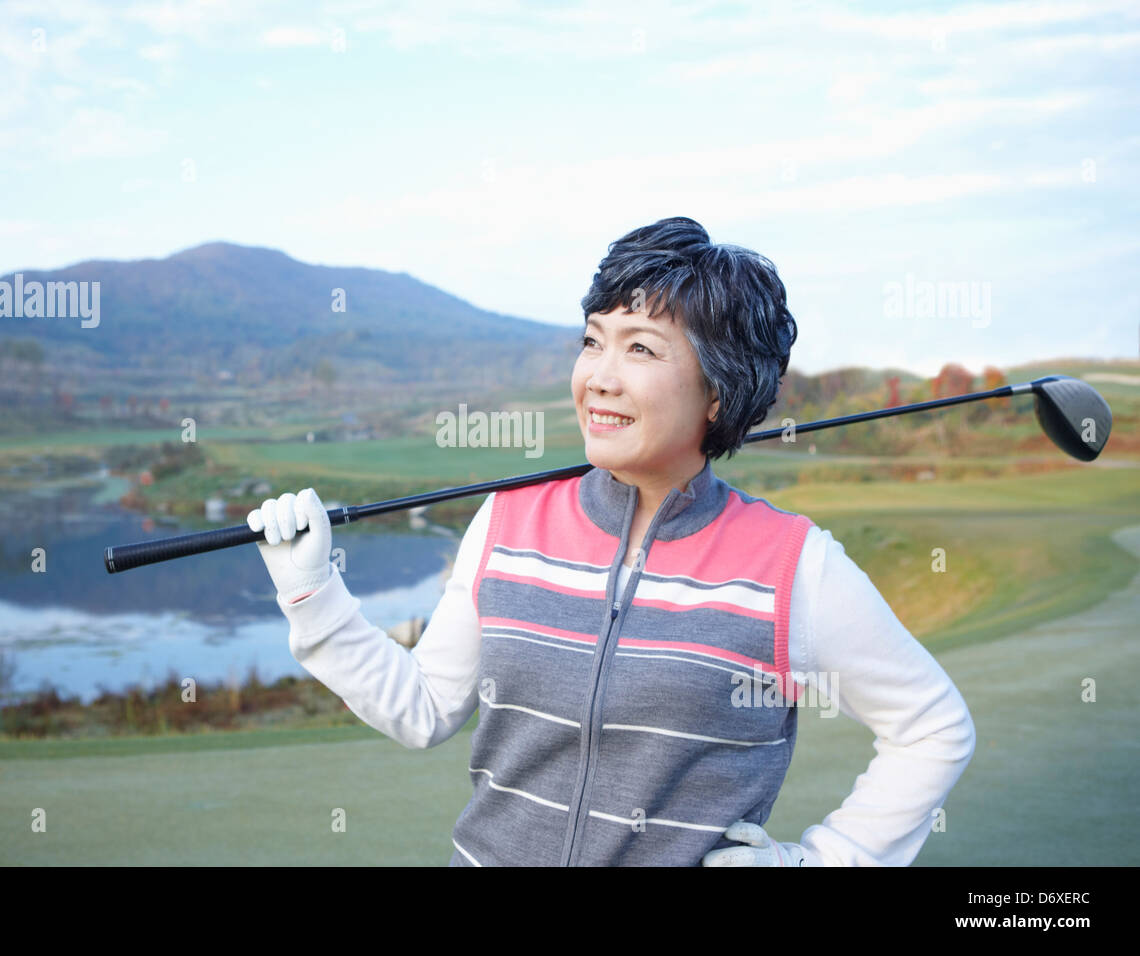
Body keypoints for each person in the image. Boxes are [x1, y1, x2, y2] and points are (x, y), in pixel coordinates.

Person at [248, 216, 976, 866]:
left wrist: (819, 862)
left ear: (717, 392)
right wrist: (313, 596)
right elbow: (423, 708)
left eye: (641, 350)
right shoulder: (507, 522)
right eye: (592, 341)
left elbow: (932, 727)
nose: (599, 376)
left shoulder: (793, 567)